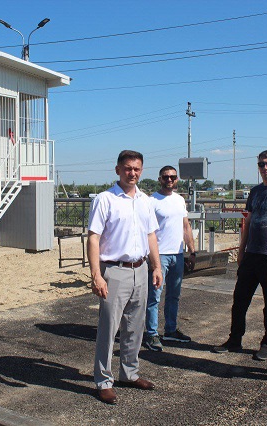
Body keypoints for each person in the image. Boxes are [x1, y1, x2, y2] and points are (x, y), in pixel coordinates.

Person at [87, 150, 164, 405]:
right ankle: (103, 381)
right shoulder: (105, 199)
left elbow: (151, 236)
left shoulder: (145, 201)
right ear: (118, 170)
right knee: (109, 329)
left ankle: (129, 373)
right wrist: (96, 275)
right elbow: (93, 238)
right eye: (128, 168)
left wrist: (156, 267)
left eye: (137, 169)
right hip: (114, 270)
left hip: (140, 269)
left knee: (134, 327)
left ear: (142, 171)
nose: (132, 173)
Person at [213, 150, 267, 361]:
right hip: (252, 255)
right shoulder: (255, 192)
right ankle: (235, 339)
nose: (265, 168)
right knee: (239, 300)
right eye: (261, 164)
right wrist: (241, 251)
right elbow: (248, 222)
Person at [142, 166, 197, 352]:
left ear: (177, 179)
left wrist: (192, 251)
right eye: (166, 177)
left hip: (177, 254)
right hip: (159, 256)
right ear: (160, 179)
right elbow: (146, 231)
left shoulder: (179, 200)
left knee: (174, 295)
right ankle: (151, 333)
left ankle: (170, 330)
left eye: (173, 177)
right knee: (154, 296)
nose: (169, 180)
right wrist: (152, 258)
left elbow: (185, 227)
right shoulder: (151, 201)